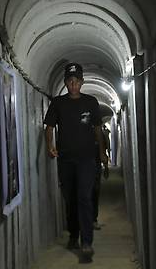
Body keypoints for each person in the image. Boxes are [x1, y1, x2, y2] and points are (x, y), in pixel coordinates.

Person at [44, 62, 109, 259]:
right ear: (65, 83)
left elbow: (97, 128)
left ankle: (87, 242)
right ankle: (74, 233)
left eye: (76, 81)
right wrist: (50, 146)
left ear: (81, 82)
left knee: (84, 197)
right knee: (70, 199)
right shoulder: (58, 103)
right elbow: (49, 127)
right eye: (70, 81)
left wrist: (102, 153)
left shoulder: (91, 103)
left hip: (87, 159)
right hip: (66, 159)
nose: (73, 85)